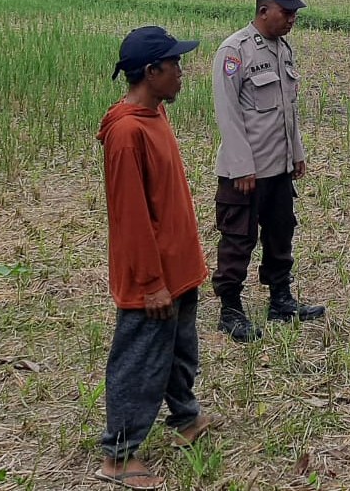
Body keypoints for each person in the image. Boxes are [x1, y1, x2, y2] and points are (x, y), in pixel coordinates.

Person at [95, 26, 216, 489]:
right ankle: (118, 456)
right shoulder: (126, 133)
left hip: (179, 267)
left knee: (179, 352)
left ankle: (186, 419)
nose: (183, 73)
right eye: (176, 65)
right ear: (152, 71)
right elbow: (131, 218)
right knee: (141, 360)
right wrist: (150, 283)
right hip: (153, 277)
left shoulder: (156, 115)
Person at [211, 0, 326, 342]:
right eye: (287, 12)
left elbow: (288, 110)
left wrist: (297, 154)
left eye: (295, 13)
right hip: (246, 171)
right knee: (238, 238)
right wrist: (242, 165)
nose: (293, 19)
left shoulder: (283, 50)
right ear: (264, 10)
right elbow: (227, 114)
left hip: (279, 167)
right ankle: (230, 309)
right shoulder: (235, 51)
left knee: (281, 233)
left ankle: (280, 299)